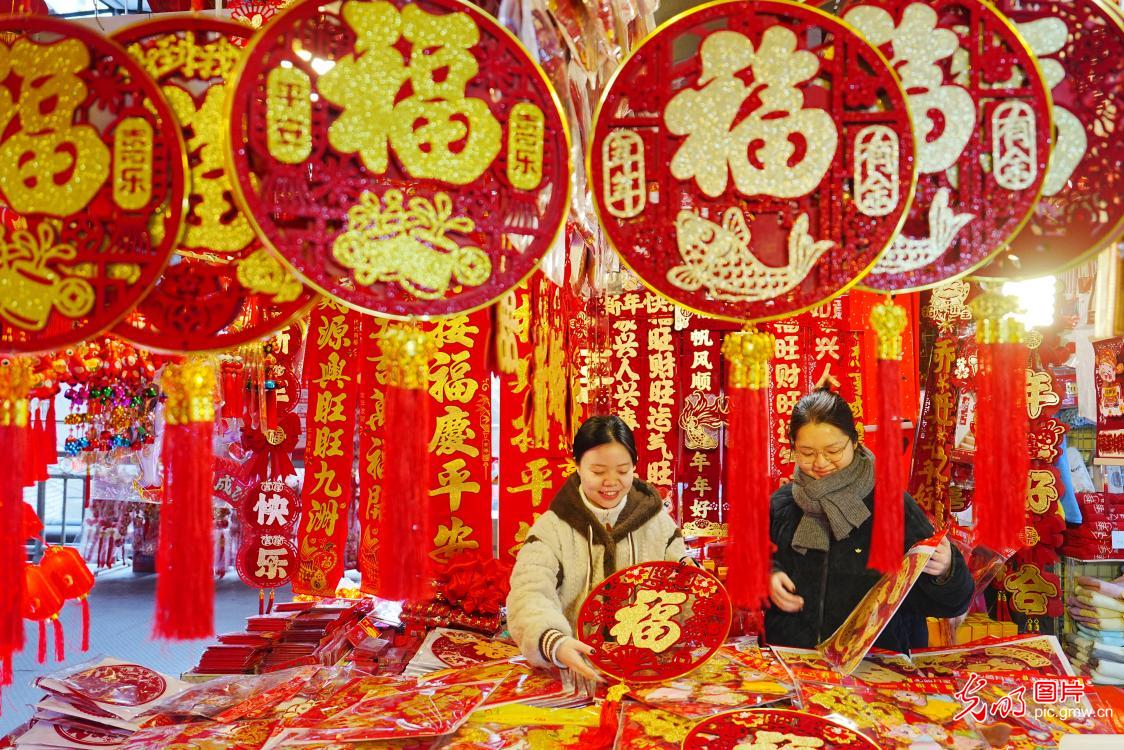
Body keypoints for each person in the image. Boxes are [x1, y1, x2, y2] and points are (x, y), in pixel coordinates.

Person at [766, 385, 973, 652]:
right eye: (807, 453)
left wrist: (946, 570)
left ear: (853, 441)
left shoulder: (891, 505)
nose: (820, 462)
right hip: (798, 664)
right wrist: (767, 577)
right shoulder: (783, 505)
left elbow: (953, 602)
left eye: (833, 451)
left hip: (877, 671)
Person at [506, 415, 694, 679]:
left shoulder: (657, 521)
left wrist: (692, 576)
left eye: (622, 470)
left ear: (634, 467)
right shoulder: (553, 528)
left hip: (648, 669)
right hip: (575, 668)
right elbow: (529, 592)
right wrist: (554, 643)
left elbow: (683, 577)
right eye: (597, 471)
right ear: (578, 467)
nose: (611, 482)